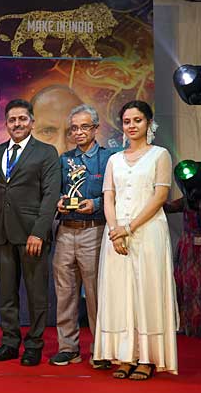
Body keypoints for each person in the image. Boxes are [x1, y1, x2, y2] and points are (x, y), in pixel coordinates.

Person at [94, 100, 178, 380]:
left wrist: (128, 228)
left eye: (137, 120)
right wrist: (115, 230)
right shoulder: (114, 159)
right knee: (120, 293)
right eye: (127, 121)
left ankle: (147, 358)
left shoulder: (160, 155)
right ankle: (125, 356)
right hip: (116, 235)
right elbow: (108, 197)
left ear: (149, 123)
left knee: (147, 291)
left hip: (148, 232)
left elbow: (160, 196)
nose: (131, 126)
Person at [0, 99, 60, 366]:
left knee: (36, 294)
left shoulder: (46, 152)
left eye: (22, 119)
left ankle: (34, 345)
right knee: (7, 294)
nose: (17, 124)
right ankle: (9, 343)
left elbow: (50, 195)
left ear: (32, 122)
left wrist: (39, 232)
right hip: (2, 234)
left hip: (32, 236)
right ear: (6, 124)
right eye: (12, 120)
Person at [49, 104, 114, 369]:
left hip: (94, 230)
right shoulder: (64, 159)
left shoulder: (109, 158)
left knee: (97, 294)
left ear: (96, 128)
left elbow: (116, 192)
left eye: (84, 127)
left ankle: (101, 349)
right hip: (66, 230)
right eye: (74, 128)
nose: (78, 132)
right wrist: (59, 201)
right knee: (65, 293)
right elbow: (53, 191)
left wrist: (95, 204)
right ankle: (68, 348)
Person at [165, 195, 201, 337]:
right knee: (184, 286)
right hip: (188, 249)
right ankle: (187, 324)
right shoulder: (189, 198)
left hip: (192, 248)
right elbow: (170, 207)